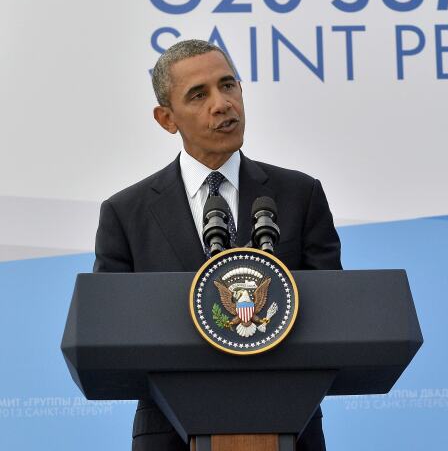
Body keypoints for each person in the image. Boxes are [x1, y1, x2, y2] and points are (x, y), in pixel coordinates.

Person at [93, 39, 341, 451]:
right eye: (199, 94)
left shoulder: (300, 195)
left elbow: (333, 314)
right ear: (166, 119)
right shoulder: (126, 213)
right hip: (168, 436)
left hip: (289, 428)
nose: (222, 103)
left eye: (229, 85)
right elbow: (112, 335)